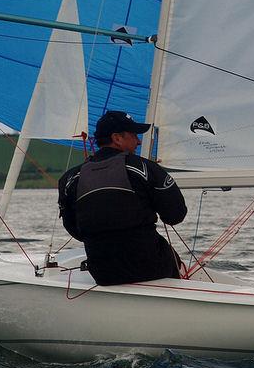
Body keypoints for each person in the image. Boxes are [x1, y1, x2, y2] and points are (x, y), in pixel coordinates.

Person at [57, 110, 187, 285]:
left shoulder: (70, 178)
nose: (139, 141)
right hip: (152, 269)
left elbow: (73, 228)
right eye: (134, 135)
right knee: (172, 258)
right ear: (117, 138)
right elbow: (175, 216)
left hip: (104, 274)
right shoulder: (144, 168)